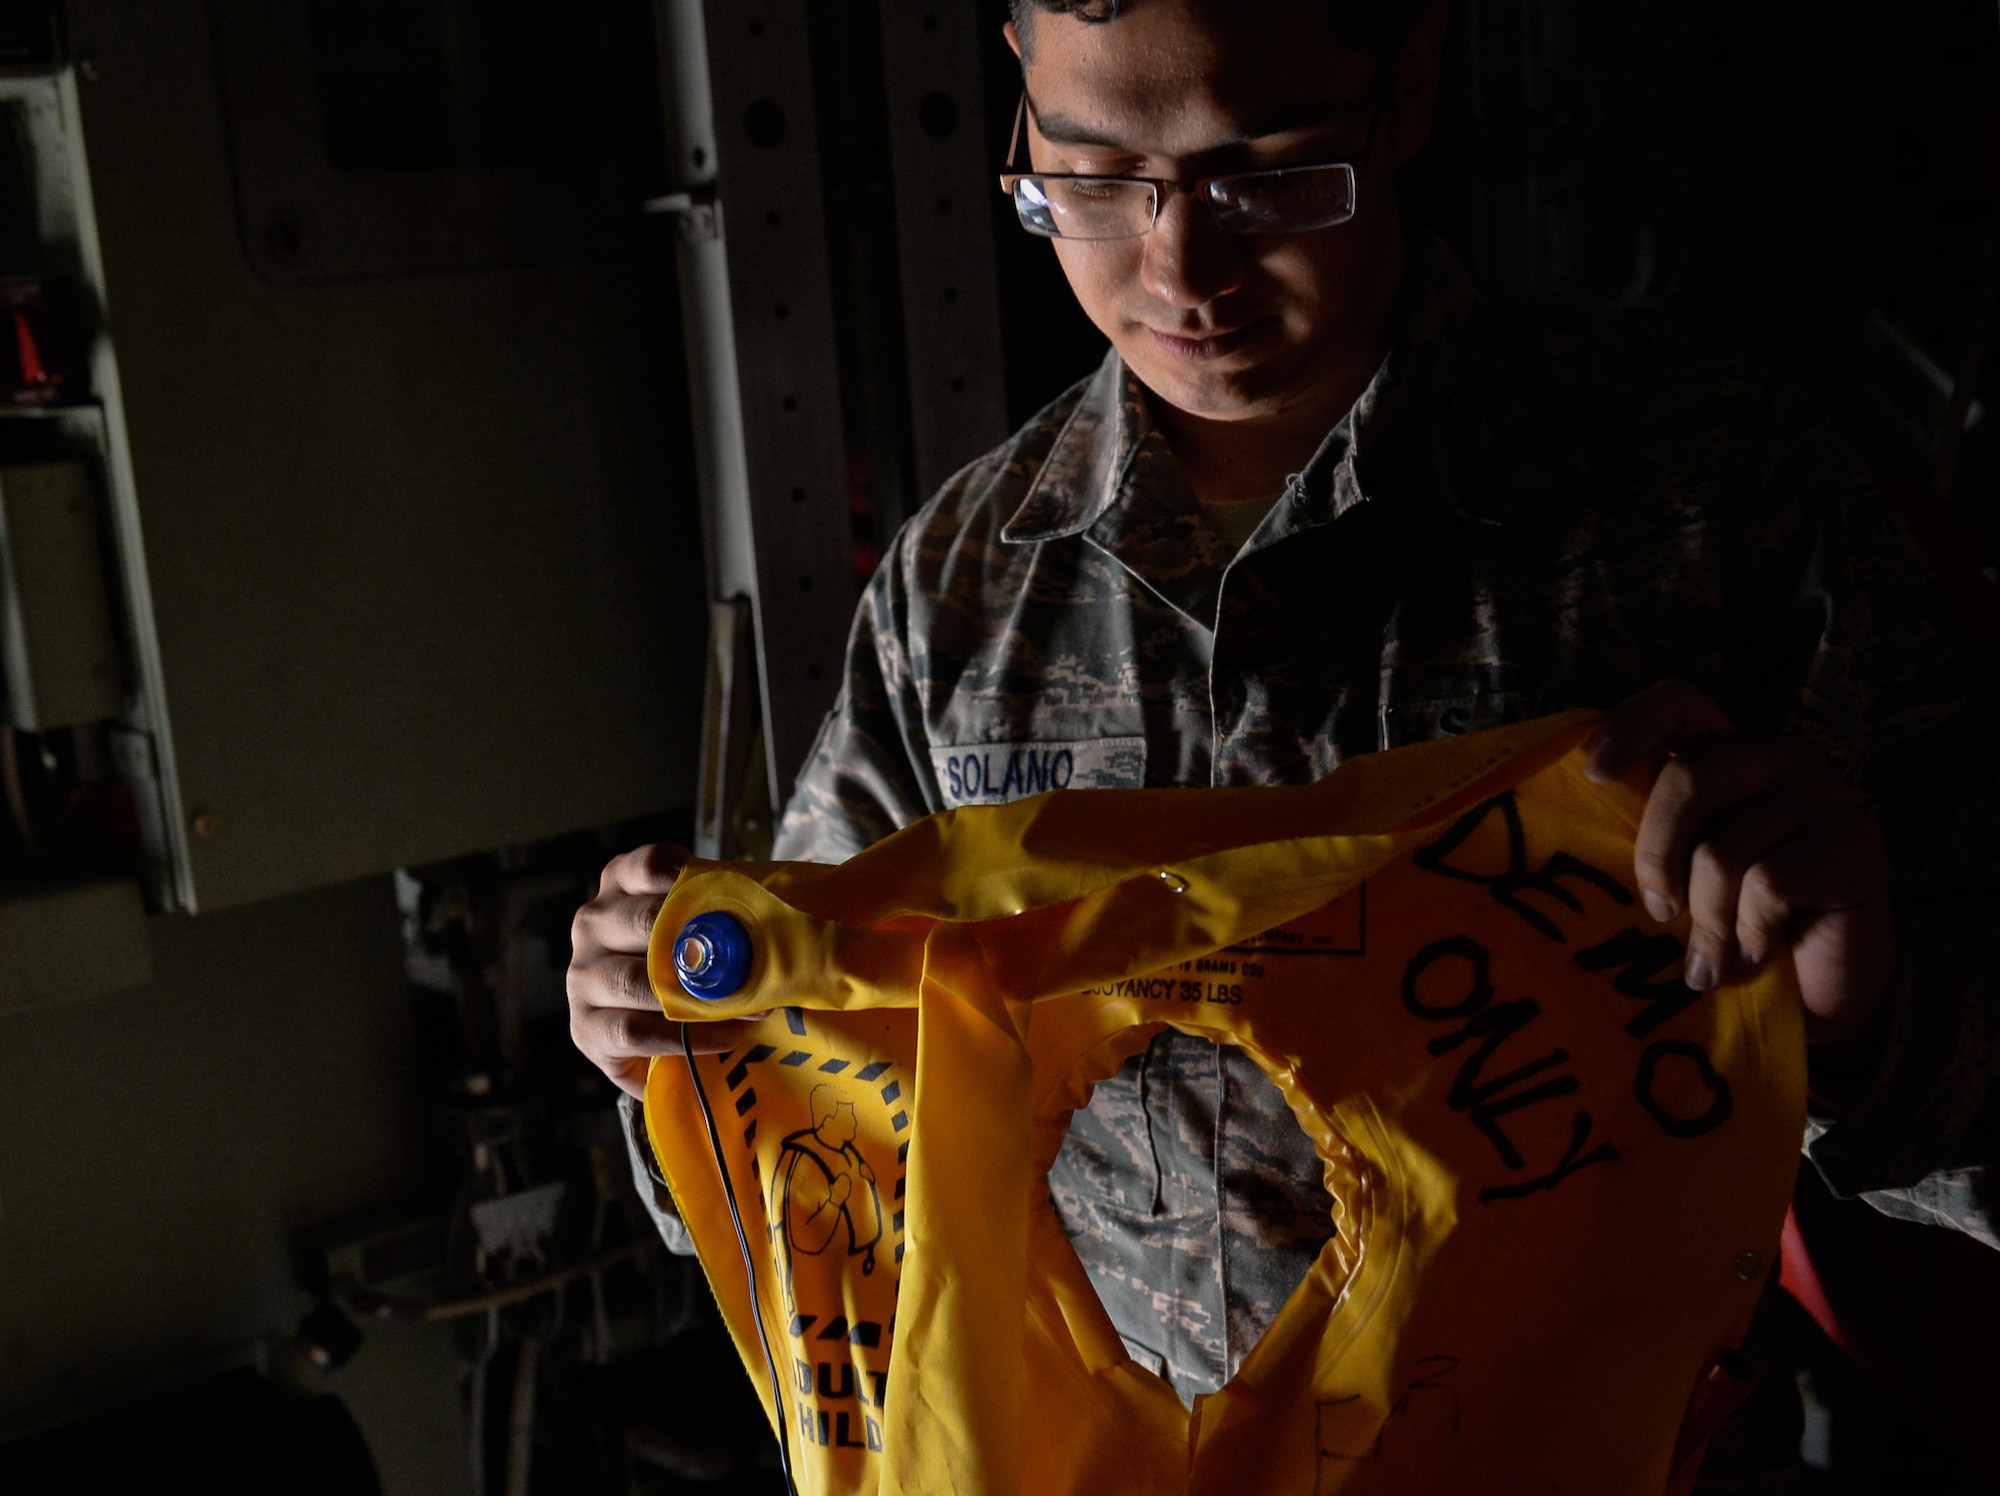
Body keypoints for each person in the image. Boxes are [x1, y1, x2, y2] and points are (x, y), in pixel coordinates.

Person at [569, 0, 1998, 1484]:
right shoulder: (966, 595)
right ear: (1020, 106)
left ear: (1414, 81)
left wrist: (1867, 1020)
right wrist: (657, 1030)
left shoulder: (1712, 512)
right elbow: (806, 1137)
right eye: (1097, 176)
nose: (1184, 268)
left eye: (1268, 174)